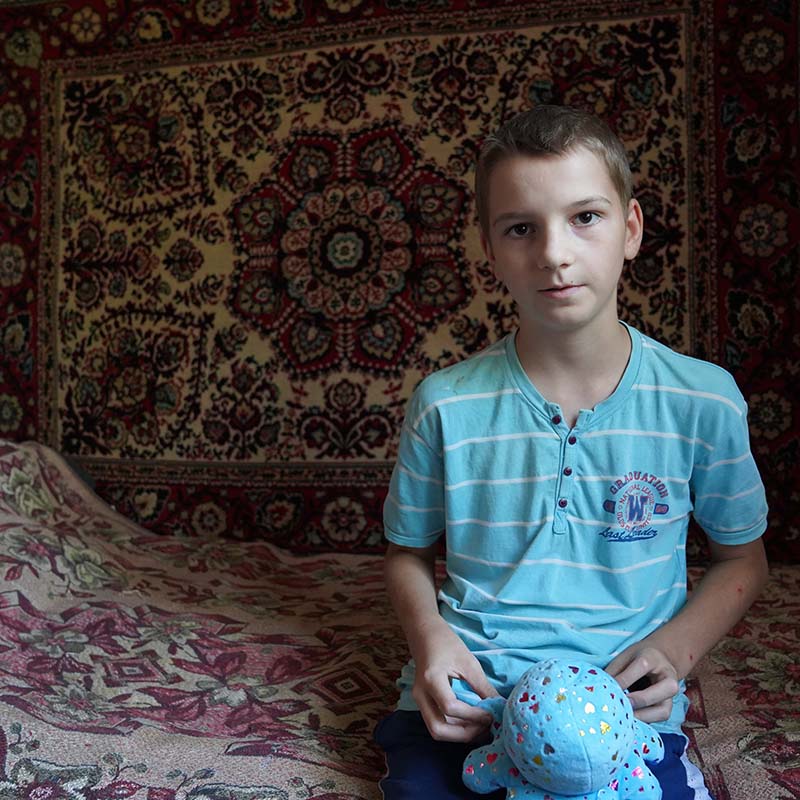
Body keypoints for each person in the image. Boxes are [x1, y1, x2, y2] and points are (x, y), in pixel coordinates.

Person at [374, 105, 769, 800]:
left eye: (584, 217)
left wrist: (673, 652)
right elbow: (406, 553)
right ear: (489, 251)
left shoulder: (703, 401)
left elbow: (744, 559)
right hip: (469, 708)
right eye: (521, 228)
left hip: (623, 714)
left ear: (631, 230)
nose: (554, 253)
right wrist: (430, 643)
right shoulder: (445, 404)